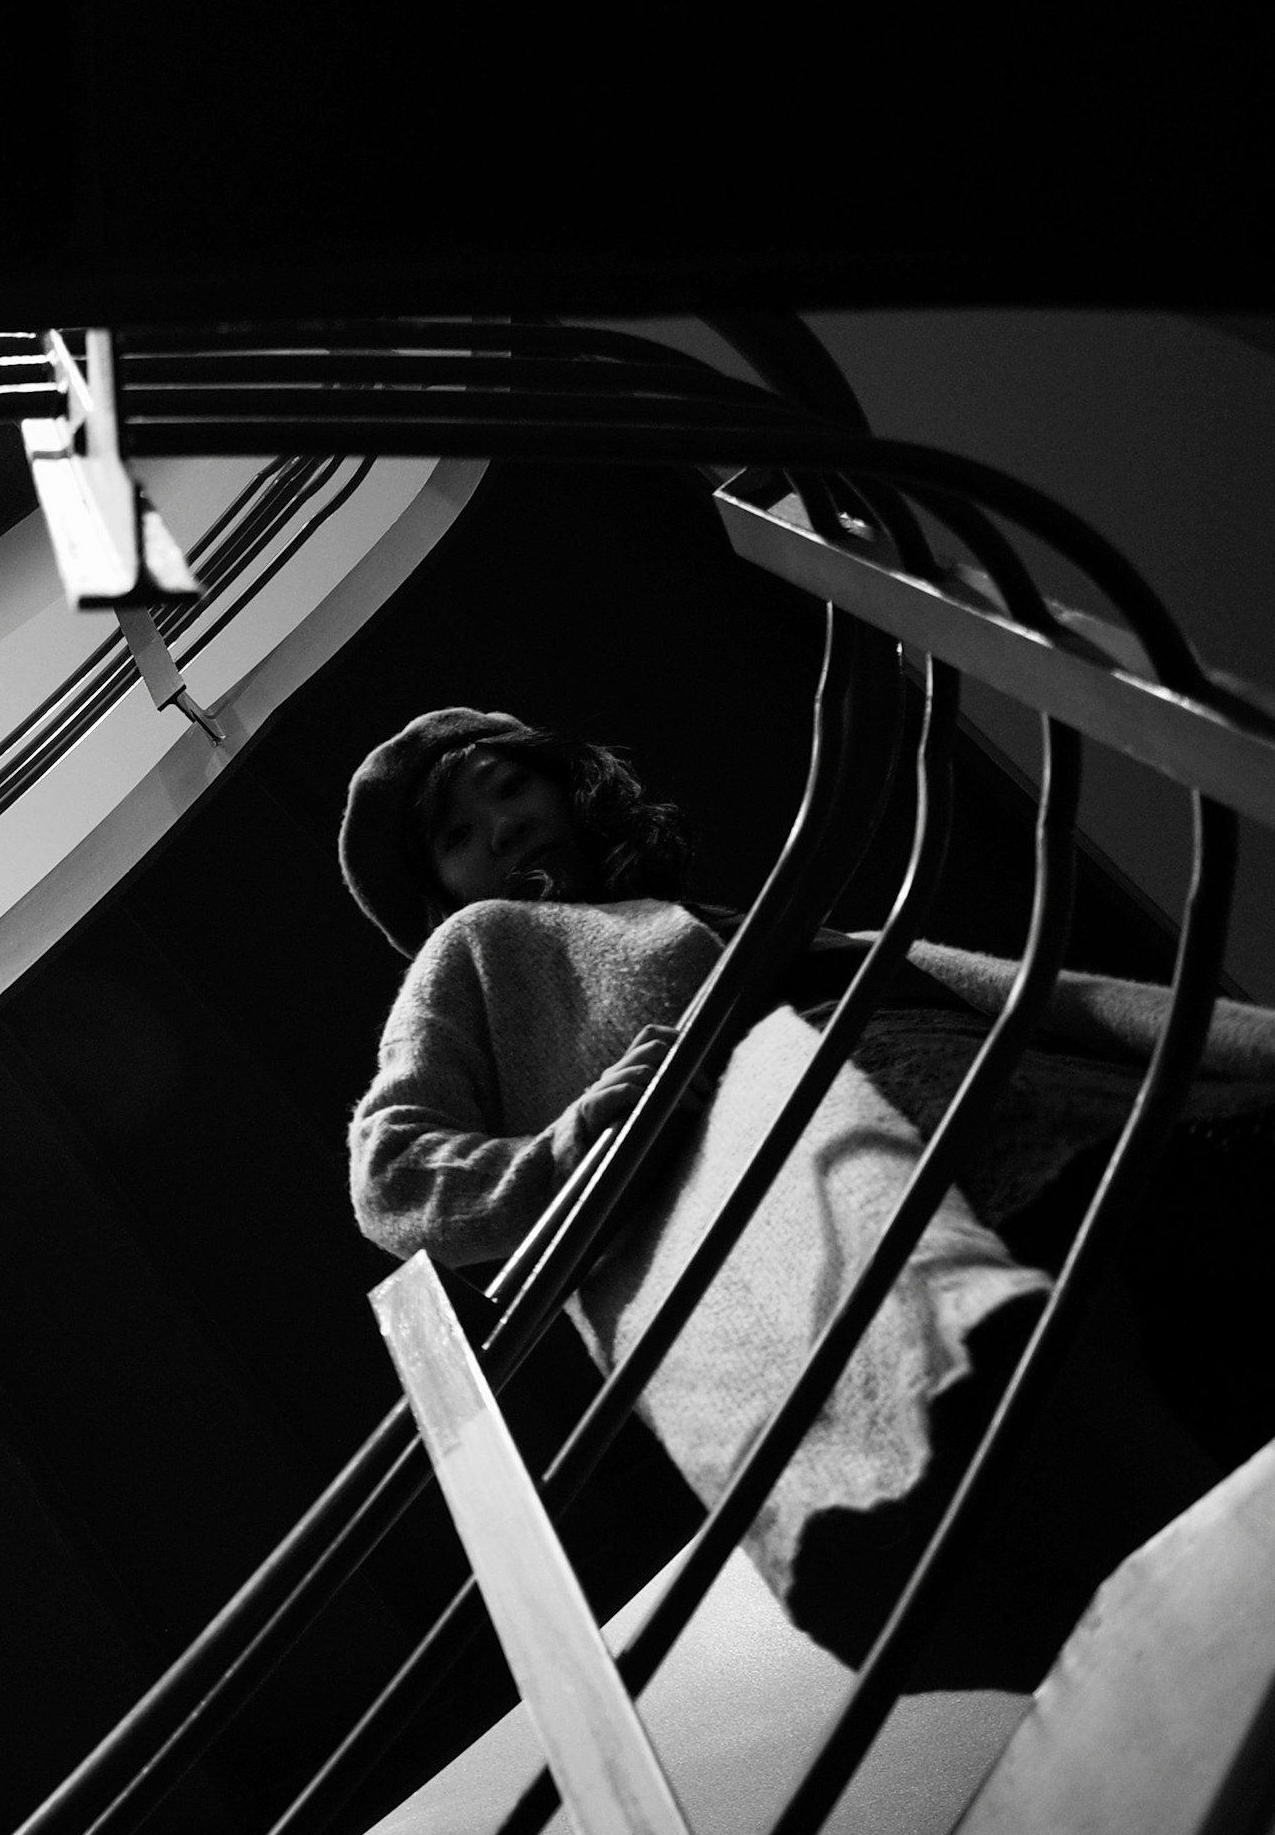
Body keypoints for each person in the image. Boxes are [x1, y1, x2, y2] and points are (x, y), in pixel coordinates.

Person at [340, 706, 1275, 1678]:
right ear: (436, 889)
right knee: (1083, 1458)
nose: (500, 824)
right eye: (455, 832)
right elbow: (394, 1169)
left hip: (996, 1090)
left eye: (511, 784)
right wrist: (577, 1146)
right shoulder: (478, 943)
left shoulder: (739, 917)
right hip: (832, 1171)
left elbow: (1058, 993)